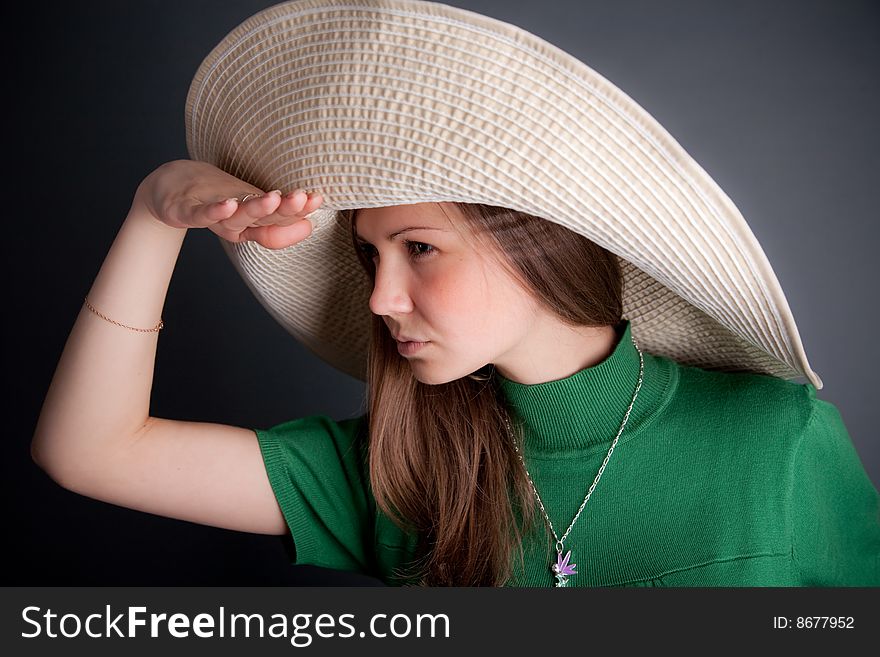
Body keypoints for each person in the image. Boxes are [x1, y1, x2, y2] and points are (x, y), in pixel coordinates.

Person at [31, 0, 879, 587]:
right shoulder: (404, 473)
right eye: (370, 257)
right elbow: (90, 450)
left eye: (421, 248)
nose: (380, 297)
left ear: (539, 244)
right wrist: (157, 210)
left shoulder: (777, 441)